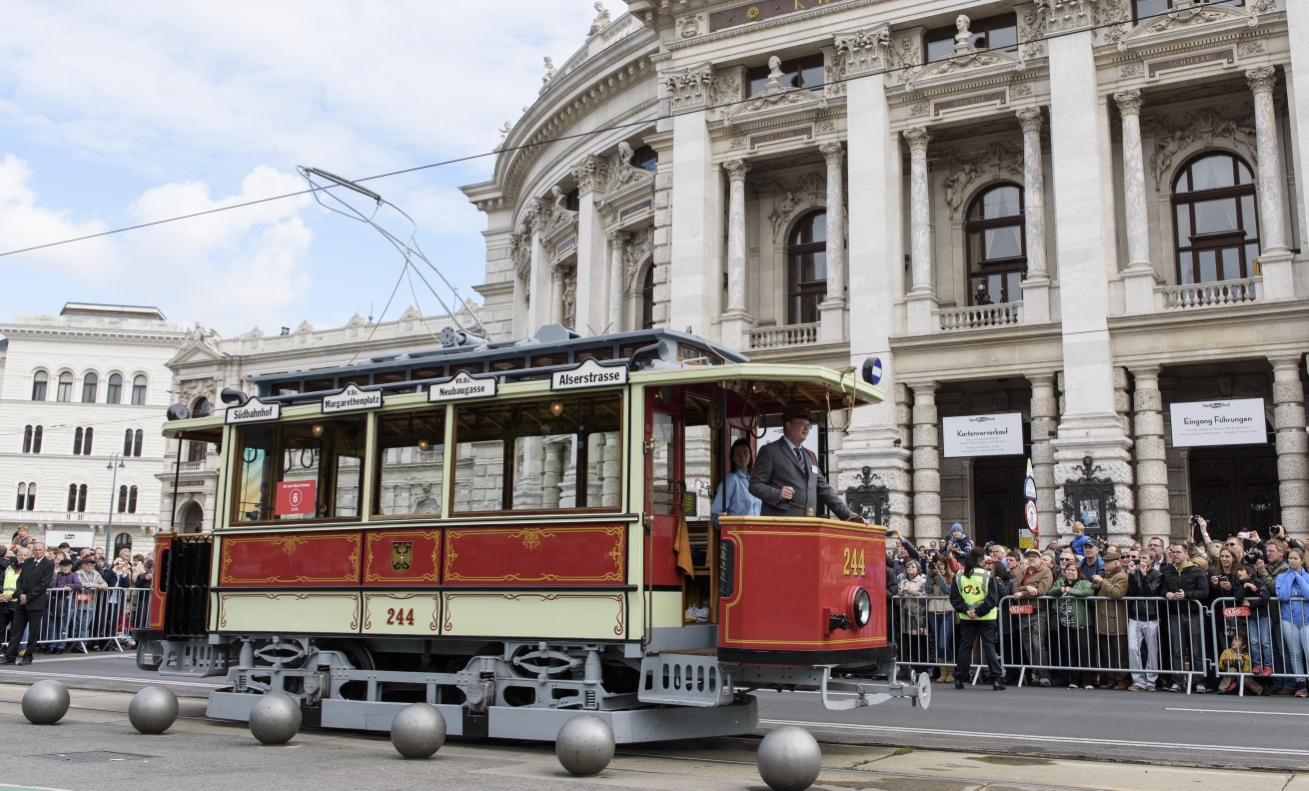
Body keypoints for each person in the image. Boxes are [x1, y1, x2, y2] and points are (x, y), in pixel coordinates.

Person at [748, 407, 863, 523]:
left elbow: (824, 489)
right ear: (788, 426)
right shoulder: (770, 451)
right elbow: (755, 485)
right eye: (802, 424)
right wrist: (777, 494)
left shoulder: (810, 456)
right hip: (781, 525)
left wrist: (847, 513)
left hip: (807, 525)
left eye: (808, 425)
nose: (806, 428)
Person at [949, 548, 1004, 691]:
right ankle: (996, 679)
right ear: (981, 559)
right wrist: (979, 611)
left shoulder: (959, 575)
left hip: (966, 616)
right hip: (986, 616)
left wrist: (967, 610)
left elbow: (955, 598)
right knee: (989, 647)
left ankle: (960, 678)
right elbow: (992, 599)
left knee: (965, 646)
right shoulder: (988, 575)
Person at [1161, 541, 1209, 693]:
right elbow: (1162, 590)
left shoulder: (1196, 571)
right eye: (1173, 552)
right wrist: (1166, 593)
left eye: (1178, 552)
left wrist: (1187, 595)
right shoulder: (1167, 570)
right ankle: (1177, 680)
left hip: (1193, 614)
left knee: (1196, 651)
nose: (1175, 555)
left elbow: (1204, 591)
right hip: (1175, 615)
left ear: (1186, 554)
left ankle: (1199, 681)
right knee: (1177, 650)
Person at [0, 540, 52, 665]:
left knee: (33, 632)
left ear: (44, 551)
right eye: (36, 549)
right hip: (21, 601)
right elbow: (20, 580)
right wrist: (20, 594)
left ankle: (28, 657)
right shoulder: (28, 562)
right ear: (33, 551)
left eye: (40, 549)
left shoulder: (48, 565)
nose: (38, 551)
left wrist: (28, 597)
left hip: (35, 602)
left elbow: (43, 584)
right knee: (16, 630)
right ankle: (10, 656)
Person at [1011, 547, 1054, 687]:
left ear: (1039, 559)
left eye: (1034, 556)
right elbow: (1014, 589)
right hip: (1023, 611)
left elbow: (1041, 591)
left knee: (1037, 644)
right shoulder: (1022, 572)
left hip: (1038, 610)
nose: (1031, 558)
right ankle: (1036, 673)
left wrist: (1023, 593)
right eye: (1029, 556)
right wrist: (1027, 588)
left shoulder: (1045, 571)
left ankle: (1044, 674)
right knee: (1028, 644)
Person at [1049, 562, 1095, 689]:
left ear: (1078, 572)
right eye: (1068, 570)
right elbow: (1051, 592)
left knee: (1085, 650)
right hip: (1065, 622)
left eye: (1073, 570)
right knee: (1071, 651)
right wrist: (1061, 589)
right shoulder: (1060, 582)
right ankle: (1074, 679)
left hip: (1082, 622)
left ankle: (1087, 681)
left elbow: (1088, 592)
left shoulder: (1083, 582)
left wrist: (1070, 590)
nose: (1070, 572)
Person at [1126, 547, 1163, 691]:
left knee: (1152, 649)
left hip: (1150, 616)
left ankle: (1151, 681)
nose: (1141, 561)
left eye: (1144, 558)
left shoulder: (1157, 575)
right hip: (1135, 615)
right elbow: (1132, 591)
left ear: (1152, 560)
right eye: (1140, 558)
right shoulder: (1135, 573)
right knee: (1133, 648)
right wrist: (1132, 573)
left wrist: (1144, 575)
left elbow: (1151, 592)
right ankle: (1138, 679)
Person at [1093, 547, 1130, 689]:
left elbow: (1116, 593)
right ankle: (1111, 679)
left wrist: (1102, 582)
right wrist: (1097, 586)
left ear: (1116, 563)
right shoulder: (1107, 576)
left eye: (1108, 563)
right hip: (1104, 619)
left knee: (1119, 652)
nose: (1105, 565)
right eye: (1104, 562)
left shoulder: (1121, 576)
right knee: (1107, 653)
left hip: (1116, 621)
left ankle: (1122, 680)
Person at [1275, 548, 1309, 697]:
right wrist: (1291, 576)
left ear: (1302, 560)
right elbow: (1283, 595)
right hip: (1289, 619)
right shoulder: (1282, 577)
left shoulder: (1307, 577)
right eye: (1290, 559)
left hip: (1306, 620)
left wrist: (1299, 577)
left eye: (1295, 559)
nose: (1292, 561)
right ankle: (1301, 685)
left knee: (1308, 652)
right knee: (1295, 653)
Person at [1234, 562, 1274, 681]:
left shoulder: (1259, 581)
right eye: (1238, 570)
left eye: (1242, 570)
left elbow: (1266, 597)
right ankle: (1257, 664)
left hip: (1263, 616)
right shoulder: (1238, 584)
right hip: (1251, 617)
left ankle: (1268, 665)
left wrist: (1251, 604)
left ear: (1250, 573)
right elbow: (1238, 597)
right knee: (1254, 641)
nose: (1239, 572)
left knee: (1265, 642)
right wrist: (1245, 586)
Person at [710, 438, 761, 528]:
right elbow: (716, 510)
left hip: (755, 533)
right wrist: (730, 530)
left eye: (746, 453)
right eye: (738, 454)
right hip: (738, 536)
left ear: (750, 456)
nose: (742, 457)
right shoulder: (731, 481)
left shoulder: (753, 481)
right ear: (733, 458)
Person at [926, 552, 956, 683]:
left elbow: (947, 590)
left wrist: (938, 576)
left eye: (940, 565)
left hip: (947, 612)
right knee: (938, 644)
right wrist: (929, 575)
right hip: (933, 611)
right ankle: (943, 672)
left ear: (945, 565)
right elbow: (928, 590)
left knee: (944, 644)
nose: (938, 567)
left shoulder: (951, 576)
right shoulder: (931, 576)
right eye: (936, 565)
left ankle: (951, 671)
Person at [47, 558, 82, 654]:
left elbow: (79, 585)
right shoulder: (57, 575)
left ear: (70, 567)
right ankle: (52, 645)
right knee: (53, 625)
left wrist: (69, 586)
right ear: (61, 567)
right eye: (64, 566)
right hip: (56, 602)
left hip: (68, 603)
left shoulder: (73, 575)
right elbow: (51, 585)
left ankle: (60, 646)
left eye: (67, 566)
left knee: (63, 626)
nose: (66, 568)